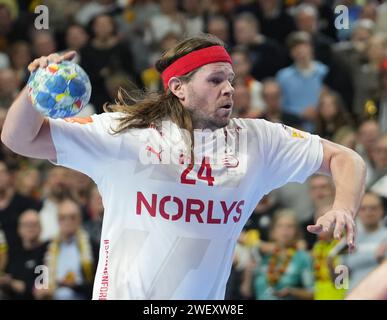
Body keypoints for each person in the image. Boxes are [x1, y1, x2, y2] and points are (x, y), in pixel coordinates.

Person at [1, 34, 366, 300]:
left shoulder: (260, 141)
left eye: (231, 80)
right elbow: (19, 139)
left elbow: (346, 158)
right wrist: (36, 91)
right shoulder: (124, 135)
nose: (229, 89)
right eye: (215, 80)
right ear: (178, 87)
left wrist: (343, 207)